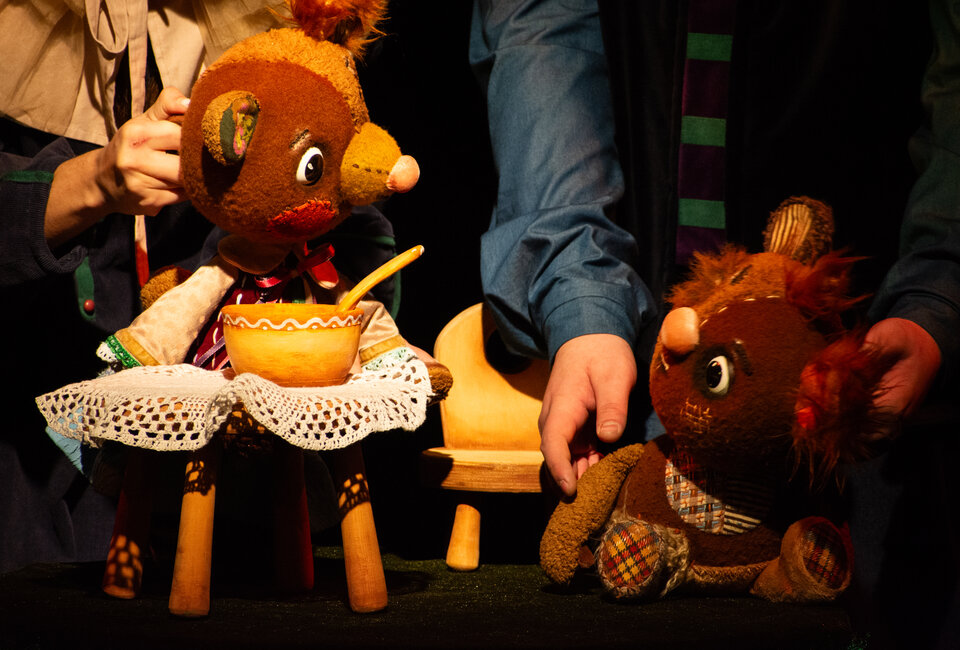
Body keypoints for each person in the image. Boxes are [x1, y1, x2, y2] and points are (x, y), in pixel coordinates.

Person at [470, 0, 958, 646]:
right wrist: (583, 307)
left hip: (850, 392)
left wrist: (934, 299)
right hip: (627, 366)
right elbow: (543, 33)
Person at [0, 0, 399, 573]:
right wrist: (90, 184)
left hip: (253, 482)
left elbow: (357, 243)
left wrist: (356, 337)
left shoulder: (270, 39)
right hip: (41, 463)